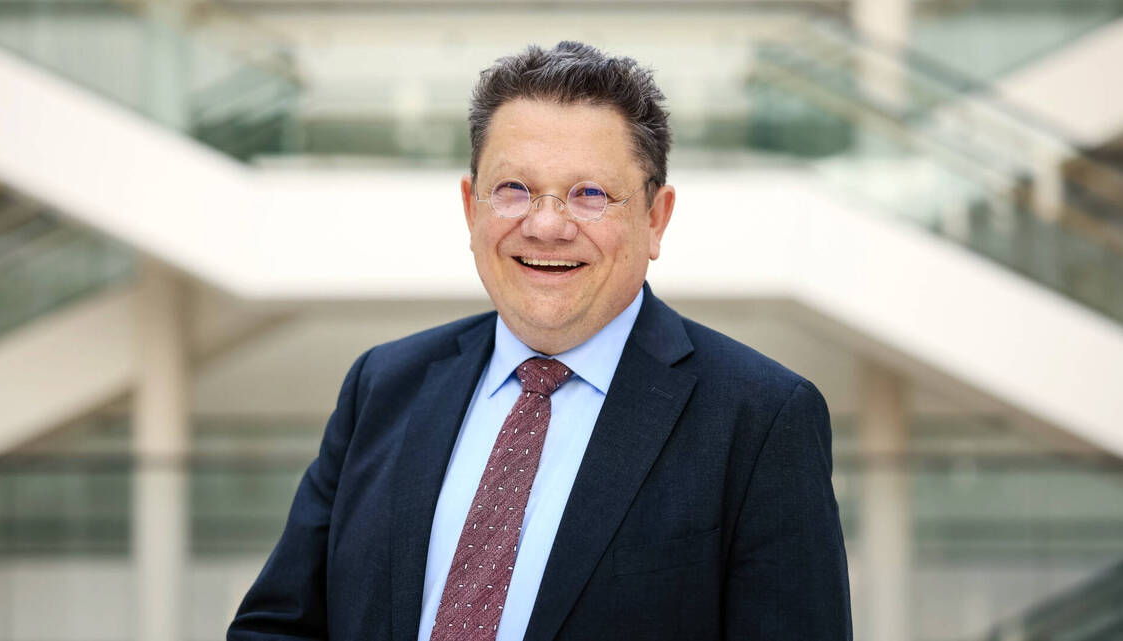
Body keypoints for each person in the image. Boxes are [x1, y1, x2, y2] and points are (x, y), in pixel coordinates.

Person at [228, 41, 851, 641]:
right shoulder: (383, 385)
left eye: (589, 194)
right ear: (471, 207)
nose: (547, 225)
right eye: (513, 190)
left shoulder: (761, 419)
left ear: (655, 218)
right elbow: (278, 626)